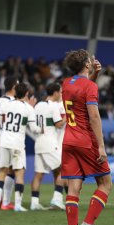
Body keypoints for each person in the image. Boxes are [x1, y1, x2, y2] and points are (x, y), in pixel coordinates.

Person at [61, 49, 111, 225]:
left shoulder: (66, 84)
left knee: (74, 188)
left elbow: (81, 89)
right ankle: (88, 224)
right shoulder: (90, 86)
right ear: (87, 64)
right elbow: (94, 116)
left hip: (68, 141)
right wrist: (101, 146)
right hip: (85, 141)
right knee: (106, 184)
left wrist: (95, 75)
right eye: (90, 60)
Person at [0, 83, 42, 212]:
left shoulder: (6, 105)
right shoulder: (28, 109)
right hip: (17, 144)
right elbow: (34, 129)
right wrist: (42, 128)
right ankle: (18, 204)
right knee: (19, 173)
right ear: (26, 94)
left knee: (2, 171)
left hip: (4, 141)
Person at [31, 83, 65, 211]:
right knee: (63, 170)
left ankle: (34, 202)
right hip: (49, 142)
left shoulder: (38, 105)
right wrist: (68, 116)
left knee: (38, 174)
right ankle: (57, 199)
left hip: (38, 142)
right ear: (55, 93)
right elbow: (59, 125)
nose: (61, 94)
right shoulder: (54, 106)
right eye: (60, 92)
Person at [0, 77, 18, 211]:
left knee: (2, 169)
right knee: (12, 170)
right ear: (14, 86)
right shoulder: (13, 102)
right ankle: (5, 200)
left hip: (3, 138)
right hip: (11, 138)